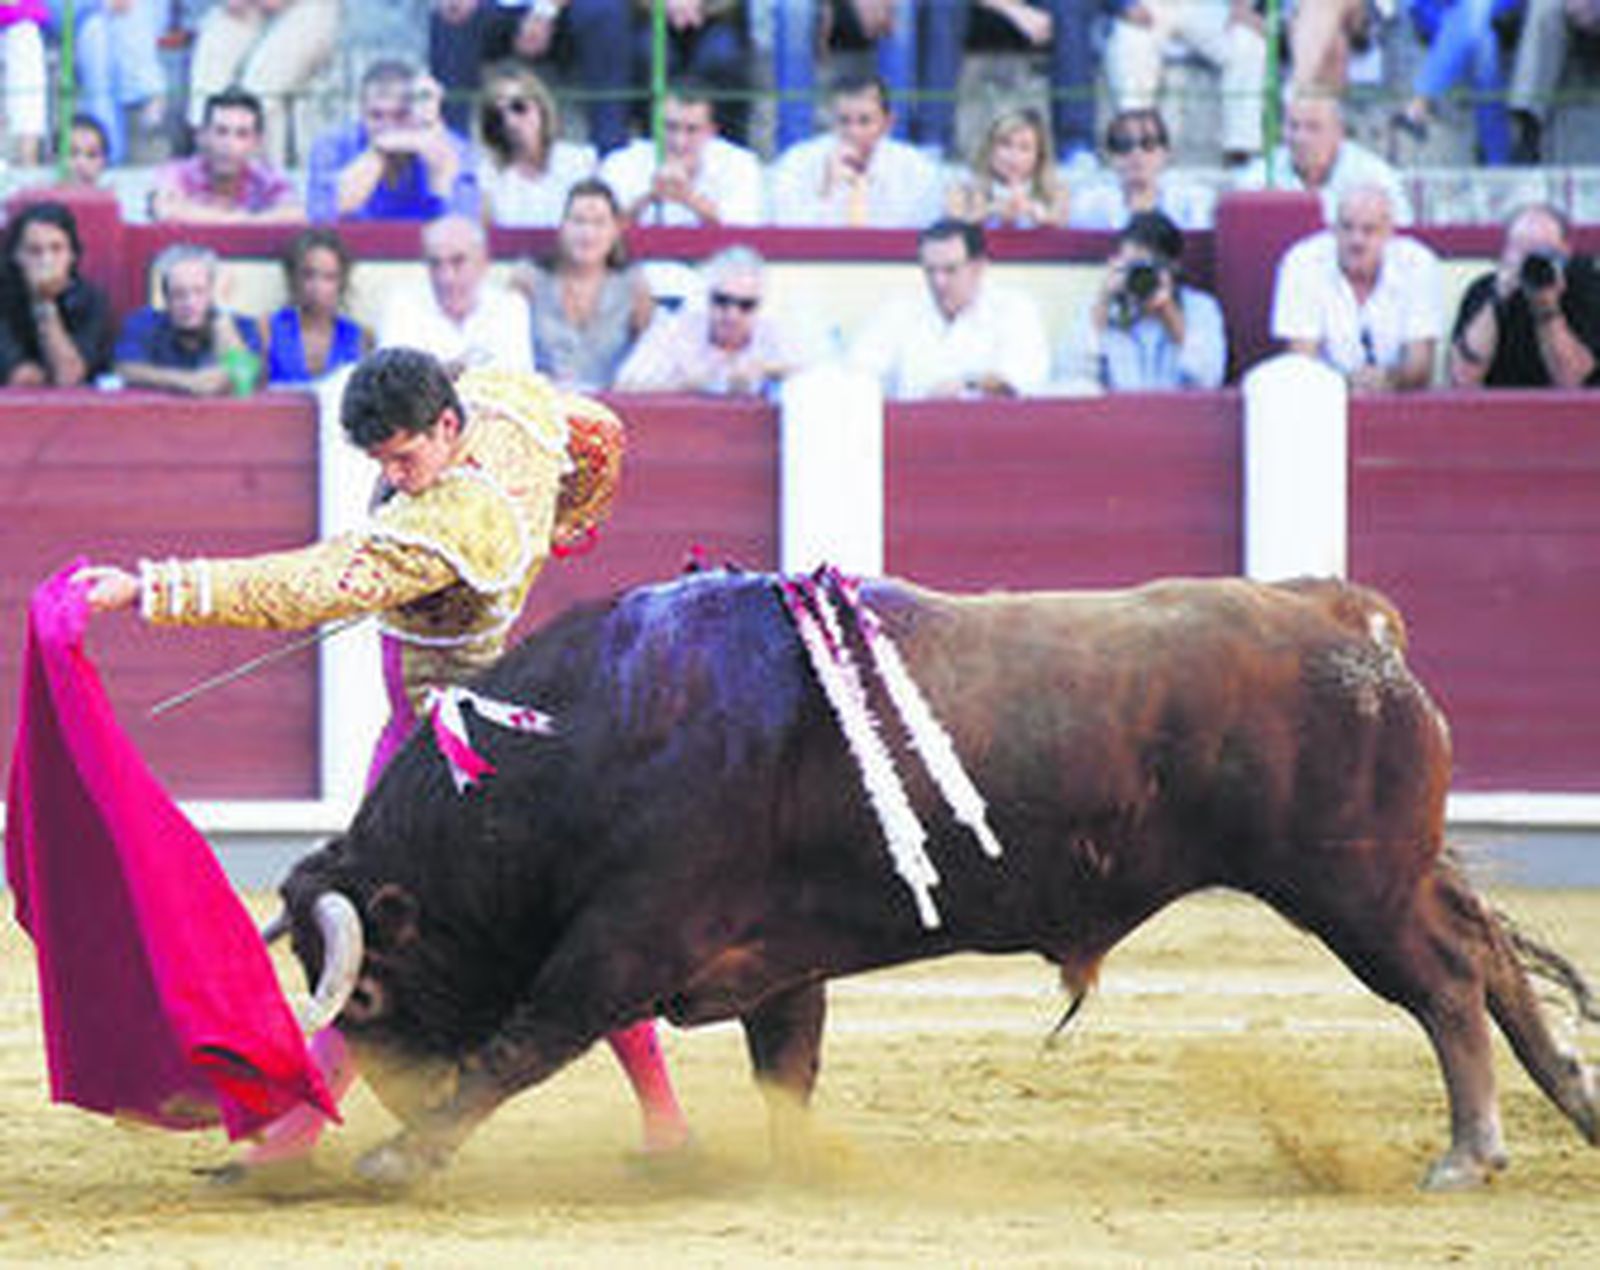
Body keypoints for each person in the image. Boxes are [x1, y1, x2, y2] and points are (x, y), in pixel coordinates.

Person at [74, 347, 693, 1175]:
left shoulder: (457, 518)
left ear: (446, 426)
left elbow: (310, 583)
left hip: (450, 757)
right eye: (381, 463)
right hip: (437, 731)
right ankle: (665, 1124)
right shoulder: (503, 401)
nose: (397, 479)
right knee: (550, 927)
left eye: (405, 457)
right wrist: (570, 523)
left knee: (376, 929)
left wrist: (153, 589)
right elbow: (597, 430)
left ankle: (293, 1136)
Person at [850, 218, 1050, 399]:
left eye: (950, 270)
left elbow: (1022, 381)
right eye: (930, 270)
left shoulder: (1014, 309)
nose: (938, 282)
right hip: (913, 432)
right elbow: (858, 373)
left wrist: (967, 384)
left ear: (978, 267)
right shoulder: (899, 310)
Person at [1270, 183, 1442, 392]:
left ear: (1389, 232)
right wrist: (1346, 383)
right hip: (1323, 403)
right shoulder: (1302, 262)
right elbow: (1301, 362)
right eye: (1347, 227)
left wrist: (1388, 379)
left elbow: (1421, 365)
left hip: (1398, 400)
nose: (1356, 240)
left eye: (1369, 230)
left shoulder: (1418, 263)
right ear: (1332, 228)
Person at [428, 0, 632, 154]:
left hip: (564, 12)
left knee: (605, 10)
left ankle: (610, 147)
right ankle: (453, 145)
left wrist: (544, 11)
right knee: (450, 14)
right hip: (495, 10)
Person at [1055, 210, 1226, 391]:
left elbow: (1209, 378)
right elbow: (1069, 376)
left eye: (1147, 268)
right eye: (1133, 267)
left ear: (1172, 268)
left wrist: (1169, 313)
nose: (1141, 277)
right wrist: (1103, 302)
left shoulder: (1200, 308)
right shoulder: (1103, 311)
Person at [513, 178, 653, 389]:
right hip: (543, 403)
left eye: (599, 223)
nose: (587, 233)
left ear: (615, 230)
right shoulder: (529, 281)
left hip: (613, 406)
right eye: (578, 221)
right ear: (562, 226)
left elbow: (650, 358)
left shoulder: (633, 287)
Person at [614, 246, 811, 394]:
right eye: (722, 301)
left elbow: (820, 374)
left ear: (759, 305)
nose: (732, 314)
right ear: (706, 297)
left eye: (745, 305)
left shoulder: (774, 330)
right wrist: (691, 384)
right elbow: (625, 385)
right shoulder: (675, 328)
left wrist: (766, 371)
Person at [307, 60, 480, 223]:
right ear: (361, 112)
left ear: (416, 111)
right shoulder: (332, 145)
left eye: (399, 116)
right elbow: (322, 216)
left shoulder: (454, 147)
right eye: (376, 116)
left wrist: (440, 168)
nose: (388, 127)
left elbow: (465, 222)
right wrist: (377, 152)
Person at [1449, 202, 1600, 388]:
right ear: (1505, 253)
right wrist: (1497, 300)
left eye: (1543, 250)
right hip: (1501, 411)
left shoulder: (1588, 287)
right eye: (1522, 249)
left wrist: (1547, 309)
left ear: (1565, 251)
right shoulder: (1484, 290)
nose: (1532, 260)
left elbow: (1571, 380)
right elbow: (1463, 379)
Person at [768, 72, 946, 228]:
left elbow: (924, 235)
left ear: (887, 123)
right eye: (844, 121)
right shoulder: (797, 162)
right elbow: (787, 233)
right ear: (830, 120)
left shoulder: (915, 169)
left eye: (865, 121)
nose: (854, 132)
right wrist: (827, 190)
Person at [1103, 0, 1267, 165]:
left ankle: (1242, 150)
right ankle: (1136, 143)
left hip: (1206, 6)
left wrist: (1242, 6)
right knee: (1130, 37)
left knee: (1248, 43)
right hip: (1148, 4)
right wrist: (1125, 4)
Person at [186, 0, 339, 167]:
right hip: (249, 9)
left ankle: (266, 179)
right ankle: (205, 167)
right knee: (212, 54)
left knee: (260, 88)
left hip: (309, 8)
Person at [377, 213, 533, 372]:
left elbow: (517, 380)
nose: (446, 278)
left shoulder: (511, 308)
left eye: (458, 262)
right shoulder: (402, 307)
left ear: (483, 262)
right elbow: (393, 382)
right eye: (435, 263)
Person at [598, 78, 764, 227]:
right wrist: (649, 197)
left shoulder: (740, 164)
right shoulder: (621, 162)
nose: (679, 141)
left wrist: (689, 198)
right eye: (670, 127)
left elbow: (745, 236)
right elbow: (598, 230)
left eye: (692, 130)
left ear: (711, 131)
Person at [1236, 91, 1415, 226]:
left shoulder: (1375, 176)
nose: (1300, 138)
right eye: (1293, 126)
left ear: (1339, 132)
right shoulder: (1261, 174)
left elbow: (1403, 236)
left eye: (1313, 127)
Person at [115, 243, 264, 396]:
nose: (189, 303)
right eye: (179, 294)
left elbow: (245, 378)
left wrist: (221, 318)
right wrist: (189, 381)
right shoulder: (144, 323)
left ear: (211, 293)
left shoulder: (241, 326)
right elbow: (125, 369)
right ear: (166, 298)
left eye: (199, 292)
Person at [1393, 0, 1523, 165]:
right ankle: (1498, 163)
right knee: (1483, 42)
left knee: (1476, 14)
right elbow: (1418, 8)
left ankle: (1420, 103)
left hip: (1497, 13)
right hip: (1443, 17)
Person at [0, 201, 115, 387]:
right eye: (34, 251)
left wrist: (45, 303)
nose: (47, 261)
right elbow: (21, 378)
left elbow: (69, 376)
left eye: (56, 249)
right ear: (16, 256)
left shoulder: (92, 300)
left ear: (72, 255)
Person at [149, 89, 303, 224]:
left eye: (242, 134)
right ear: (202, 135)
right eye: (221, 131)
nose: (229, 144)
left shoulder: (268, 178)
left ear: (256, 142)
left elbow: (295, 214)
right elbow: (166, 210)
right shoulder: (177, 172)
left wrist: (212, 217)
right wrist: (246, 221)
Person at [476, 60, 596, 228]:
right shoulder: (489, 173)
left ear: (541, 106)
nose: (510, 122)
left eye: (518, 107)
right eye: (497, 116)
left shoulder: (579, 161)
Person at [1069, 107, 1215, 230]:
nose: (1136, 153)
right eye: (1124, 145)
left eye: (1148, 144)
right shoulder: (1089, 206)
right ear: (1110, 156)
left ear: (1166, 153)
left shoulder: (1193, 203)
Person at [628, 0, 751, 143]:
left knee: (722, 56)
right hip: (653, 18)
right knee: (650, 55)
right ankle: (657, 140)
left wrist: (703, 6)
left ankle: (721, 141)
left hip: (718, 19)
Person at [264, 227, 372, 387]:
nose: (317, 287)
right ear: (294, 278)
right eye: (308, 275)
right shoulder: (269, 328)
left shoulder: (360, 337)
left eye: (329, 277)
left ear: (341, 282)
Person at [945, 107, 1072, 230]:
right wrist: (991, 211)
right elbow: (951, 228)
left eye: (1024, 148)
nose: (1013, 155)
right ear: (990, 147)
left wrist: (1035, 212)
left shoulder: (1056, 191)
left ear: (1039, 156)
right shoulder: (962, 186)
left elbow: (1064, 229)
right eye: (1005, 144)